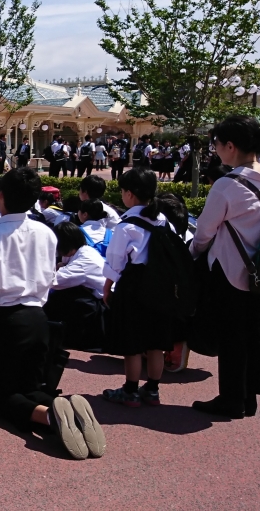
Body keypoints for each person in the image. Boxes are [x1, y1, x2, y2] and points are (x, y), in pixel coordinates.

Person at [0, 167, 105, 460]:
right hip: (38, 318)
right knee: (30, 386)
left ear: (0, 195)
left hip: (1, 321)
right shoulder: (47, 233)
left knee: (1, 396)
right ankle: (65, 407)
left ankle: (51, 417)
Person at [190, 116, 260, 418]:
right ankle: (250, 398)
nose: (215, 149)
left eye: (216, 143)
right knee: (255, 331)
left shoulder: (228, 184)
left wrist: (194, 253)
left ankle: (231, 399)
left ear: (230, 146)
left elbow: (204, 231)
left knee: (231, 335)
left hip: (230, 269)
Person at [101, 168, 173, 408]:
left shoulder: (126, 226)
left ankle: (130, 391)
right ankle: (152, 390)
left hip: (134, 285)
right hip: (160, 285)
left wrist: (107, 287)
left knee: (131, 342)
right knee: (155, 342)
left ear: (129, 194)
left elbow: (116, 261)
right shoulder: (163, 221)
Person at [45, 221, 107, 351]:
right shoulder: (84, 250)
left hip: (102, 306)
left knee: (58, 298)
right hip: (99, 298)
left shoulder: (84, 261)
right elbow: (62, 266)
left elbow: (53, 281)